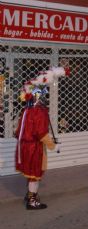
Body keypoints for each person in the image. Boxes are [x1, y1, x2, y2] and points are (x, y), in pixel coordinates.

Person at [15, 66, 67, 209]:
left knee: (31, 172)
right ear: (37, 95)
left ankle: (30, 195)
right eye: (42, 93)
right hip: (33, 147)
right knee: (34, 174)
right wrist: (53, 146)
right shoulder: (38, 111)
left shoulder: (27, 110)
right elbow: (41, 133)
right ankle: (32, 200)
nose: (44, 95)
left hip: (25, 146)